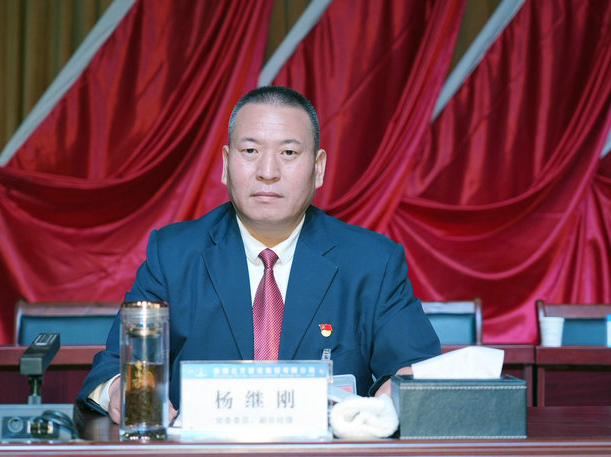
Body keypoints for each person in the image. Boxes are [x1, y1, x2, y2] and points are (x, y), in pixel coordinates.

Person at [76, 86, 440, 423]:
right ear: (225, 163)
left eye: (288, 153)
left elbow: (416, 370)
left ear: (318, 169)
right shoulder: (172, 255)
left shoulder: (372, 263)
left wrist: (398, 392)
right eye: (250, 151)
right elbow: (112, 370)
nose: (267, 172)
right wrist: (124, 391)